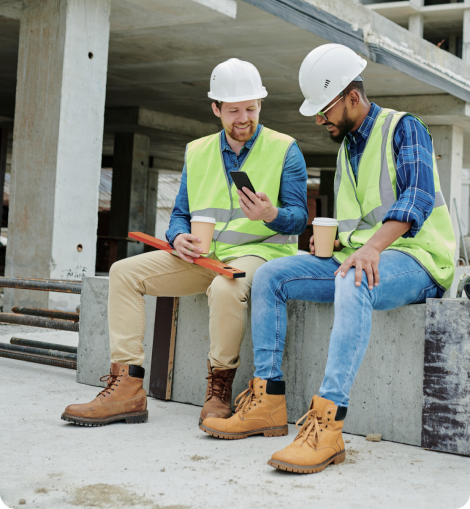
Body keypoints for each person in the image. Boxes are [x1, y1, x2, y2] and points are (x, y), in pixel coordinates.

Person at [200, 44, 455, 475]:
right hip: (366, 255)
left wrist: (371, 248)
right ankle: (268, 399)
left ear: (352, 97)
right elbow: (359, 224)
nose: (320, 120)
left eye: (325, 110)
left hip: (419, 259)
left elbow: (418, 197)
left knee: (353, 279)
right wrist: (335, 246)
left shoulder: (403, 128)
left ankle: (327, 423)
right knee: (273, 276)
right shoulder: (347, 149)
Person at [61, 58, 308, 427]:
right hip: (201, 257)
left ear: (261, 104)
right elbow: (179, 213)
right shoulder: (197, 152)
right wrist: (178, 237)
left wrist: (271, 215)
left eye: (251, 108)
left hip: (259, 253)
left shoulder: (286, 149)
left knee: (227, 288)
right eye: (233, 110)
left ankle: (219, 389)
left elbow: (300, 217)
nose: (244, 118)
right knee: (123, 272)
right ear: (216, 109)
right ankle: (127, 389)